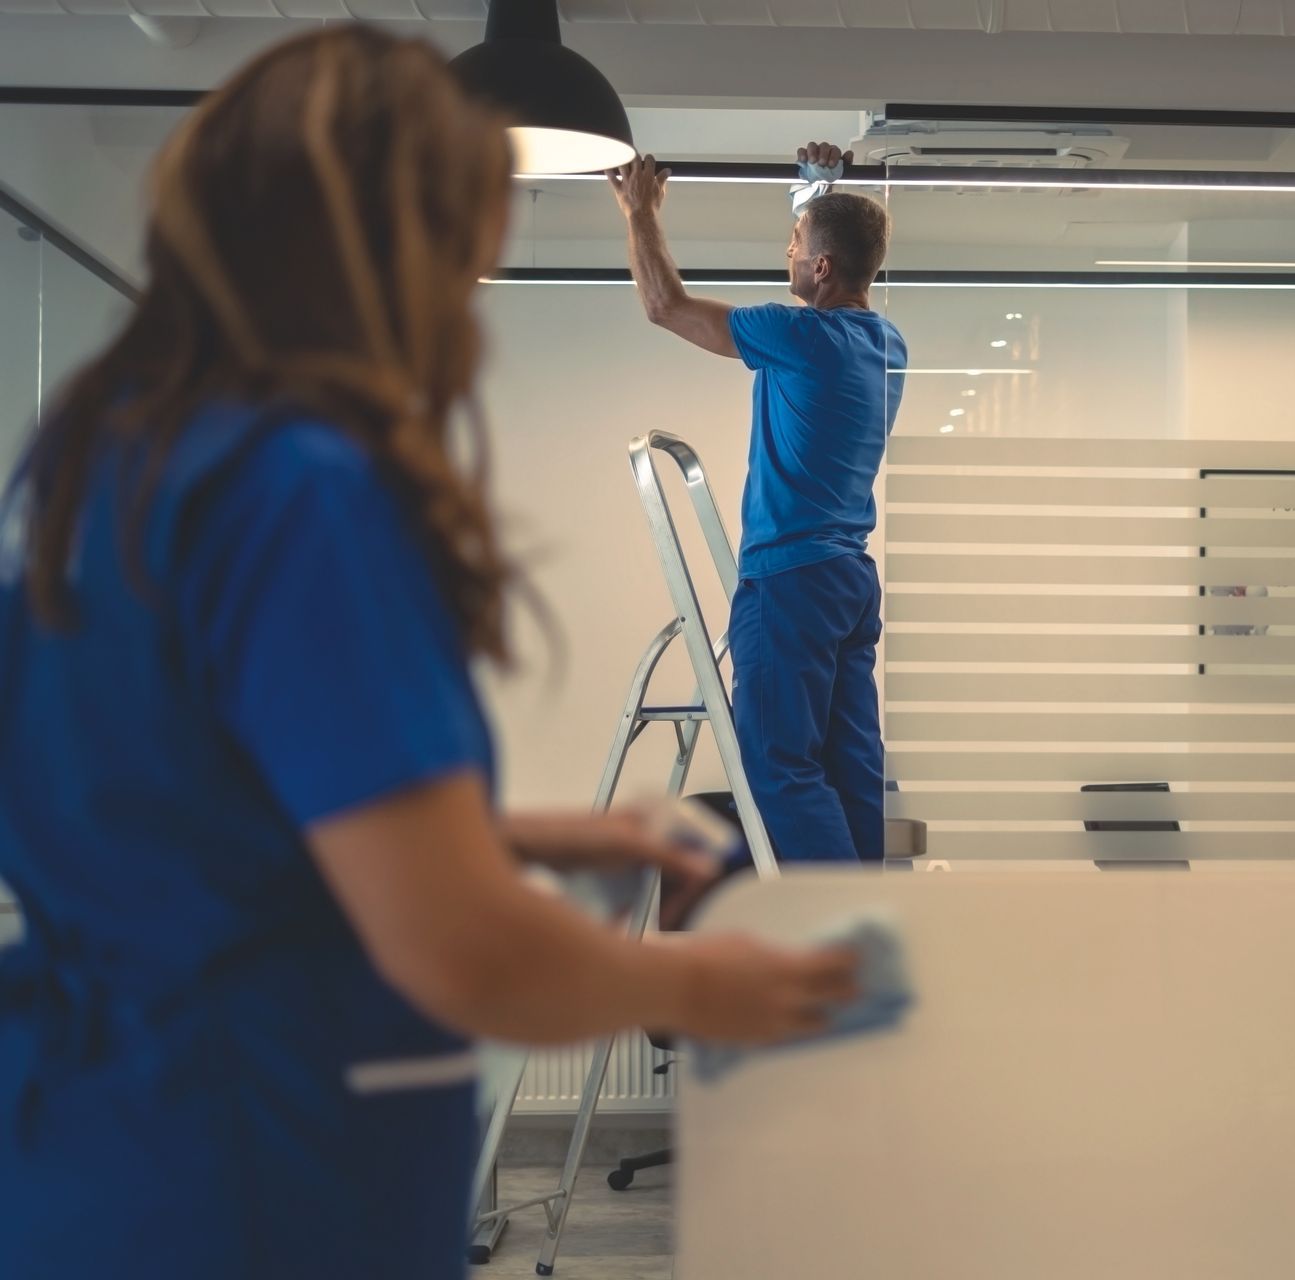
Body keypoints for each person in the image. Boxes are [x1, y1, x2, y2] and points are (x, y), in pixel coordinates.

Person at [0, 29, 858, 1280]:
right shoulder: (303, 490)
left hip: (90, 1161)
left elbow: (196, 833)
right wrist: (710, 987)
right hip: (265, 1185)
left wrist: (529, 839)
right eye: (462, 238)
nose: (469, 280)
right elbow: (463, 949)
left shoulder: (99, 459)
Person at [608, 143, 908, 866]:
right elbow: (830, 247)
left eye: (795, 246)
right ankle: (879, 928)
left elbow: (664, 305)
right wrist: (815, 194)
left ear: (822, 268)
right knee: (851, 769)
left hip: (791, 579)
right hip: (846, 582)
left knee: (779, 769)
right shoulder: (884, 343)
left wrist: (641, 213)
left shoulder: (798, 336)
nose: (788, 253)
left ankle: (839, 942)